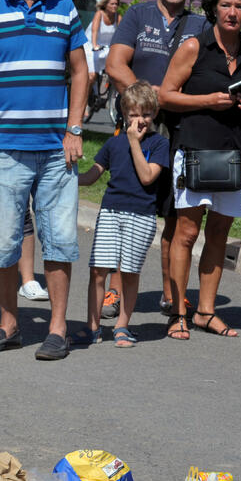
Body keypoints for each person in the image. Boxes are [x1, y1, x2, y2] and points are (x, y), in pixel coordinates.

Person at [0, 0, 87, 360]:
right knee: (2, 244)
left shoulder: (63, 6)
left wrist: (75, 129)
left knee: (60, 240)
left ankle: (57, 329)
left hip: (56, 150)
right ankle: (9, 325)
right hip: (2, 149)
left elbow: (80, 71)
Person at [158, 0, 241, 340]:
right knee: (186, 234)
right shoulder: (193, 46)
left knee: (219, 234)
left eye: (240, 6)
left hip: (235, 153)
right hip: (194, 149)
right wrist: (207, 101)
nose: (233, 12)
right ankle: (177, 312)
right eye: (226, 4)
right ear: (214, 8)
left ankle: (206, 312)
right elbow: (165, 96)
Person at [107, 0, 207, 314]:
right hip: (142, 129)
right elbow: (115, 64)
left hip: (182, 131)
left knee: (175, 214)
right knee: (131, 208)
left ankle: (171, 293)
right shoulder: (138, 14)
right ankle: (114, 291)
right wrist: (150, 99)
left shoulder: (200, 24)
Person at [75, 81, 169, 348]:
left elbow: (148, 176)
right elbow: (93, 174)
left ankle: (122, 325)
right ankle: (92, 326)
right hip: (110, 212)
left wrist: (134, 143)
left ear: (154, 115)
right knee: (98, 270)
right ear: (124, 114)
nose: (140, 121)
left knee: (129, 272)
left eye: (146, 114)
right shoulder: (113, 144)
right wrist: (70, 178)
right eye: (134, 115)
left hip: (141, 215)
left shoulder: (159, 144)